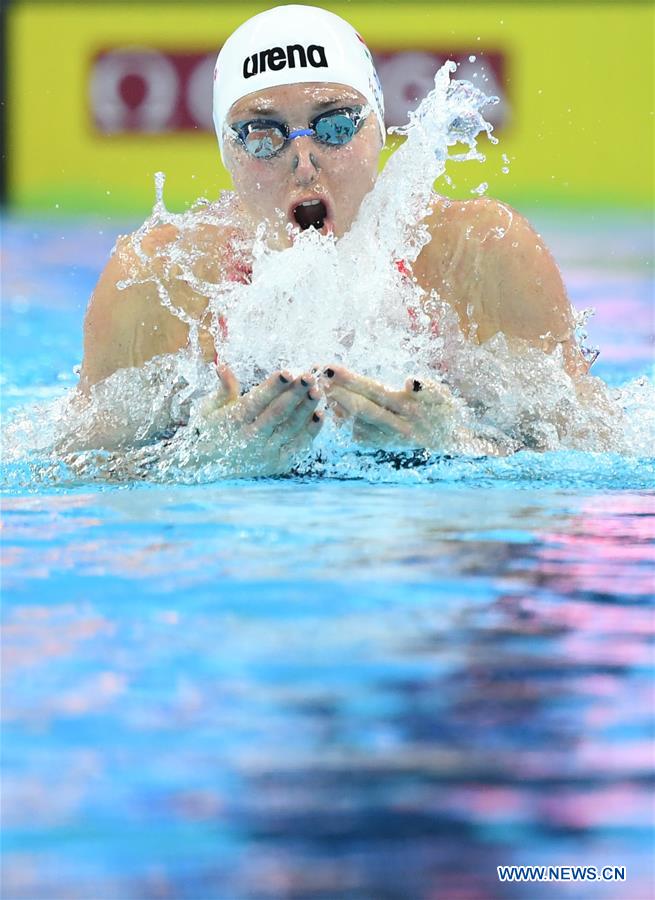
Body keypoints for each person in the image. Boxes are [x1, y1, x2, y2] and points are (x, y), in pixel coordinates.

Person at [75, 4, 592, 468]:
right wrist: (197, 463)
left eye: (336, 126)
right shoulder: (160, 281)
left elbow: (599, 450)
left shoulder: (477, 254)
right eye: (262, 136)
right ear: (226, 153)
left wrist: (461, 446)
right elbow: (74, 472)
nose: (303, 163)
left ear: (380, 131)